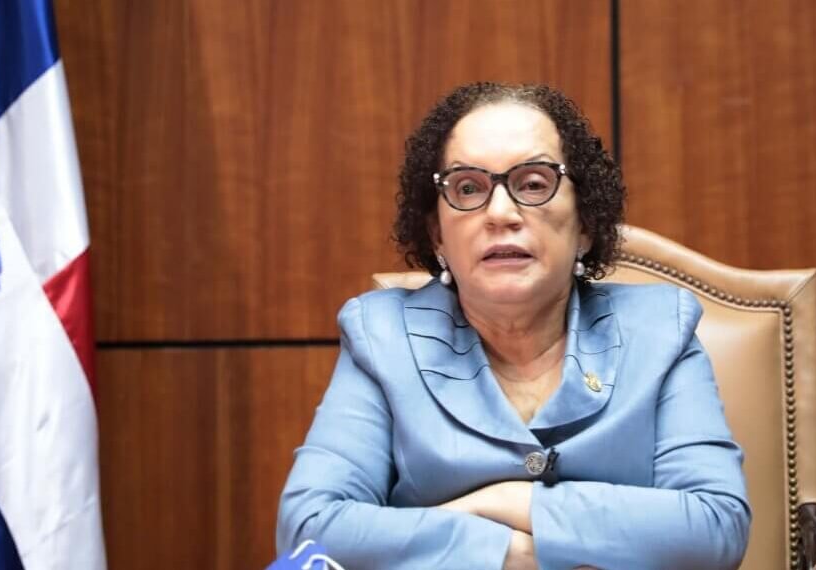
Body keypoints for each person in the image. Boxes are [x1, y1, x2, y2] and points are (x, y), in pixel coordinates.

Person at [276, 82, 750, 569]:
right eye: (467, 188)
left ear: (585, 224)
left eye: (533, 184)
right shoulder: (381, 336)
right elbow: (310, 529)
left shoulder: (660, 330)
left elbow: (715, 528)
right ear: (437, 234)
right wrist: (508, 553)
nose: (500, 213)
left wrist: (505, 501)